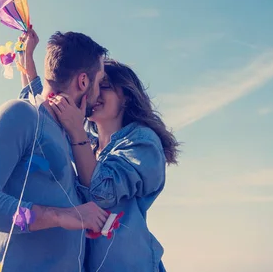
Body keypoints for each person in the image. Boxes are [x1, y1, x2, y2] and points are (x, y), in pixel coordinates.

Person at [18, 28, 181, 272]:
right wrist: (28, 62)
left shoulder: (143, 141)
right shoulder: (87, 144)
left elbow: (102, 192)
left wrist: (76, 133)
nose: (94, 92)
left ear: (125, 96)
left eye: (104, 86)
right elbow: (43, 113)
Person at [0, 31, 111, 272]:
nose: (100, 92)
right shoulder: (20, 114)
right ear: (83, 81)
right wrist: (61, 216)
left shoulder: (69, 134)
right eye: (100, 81)